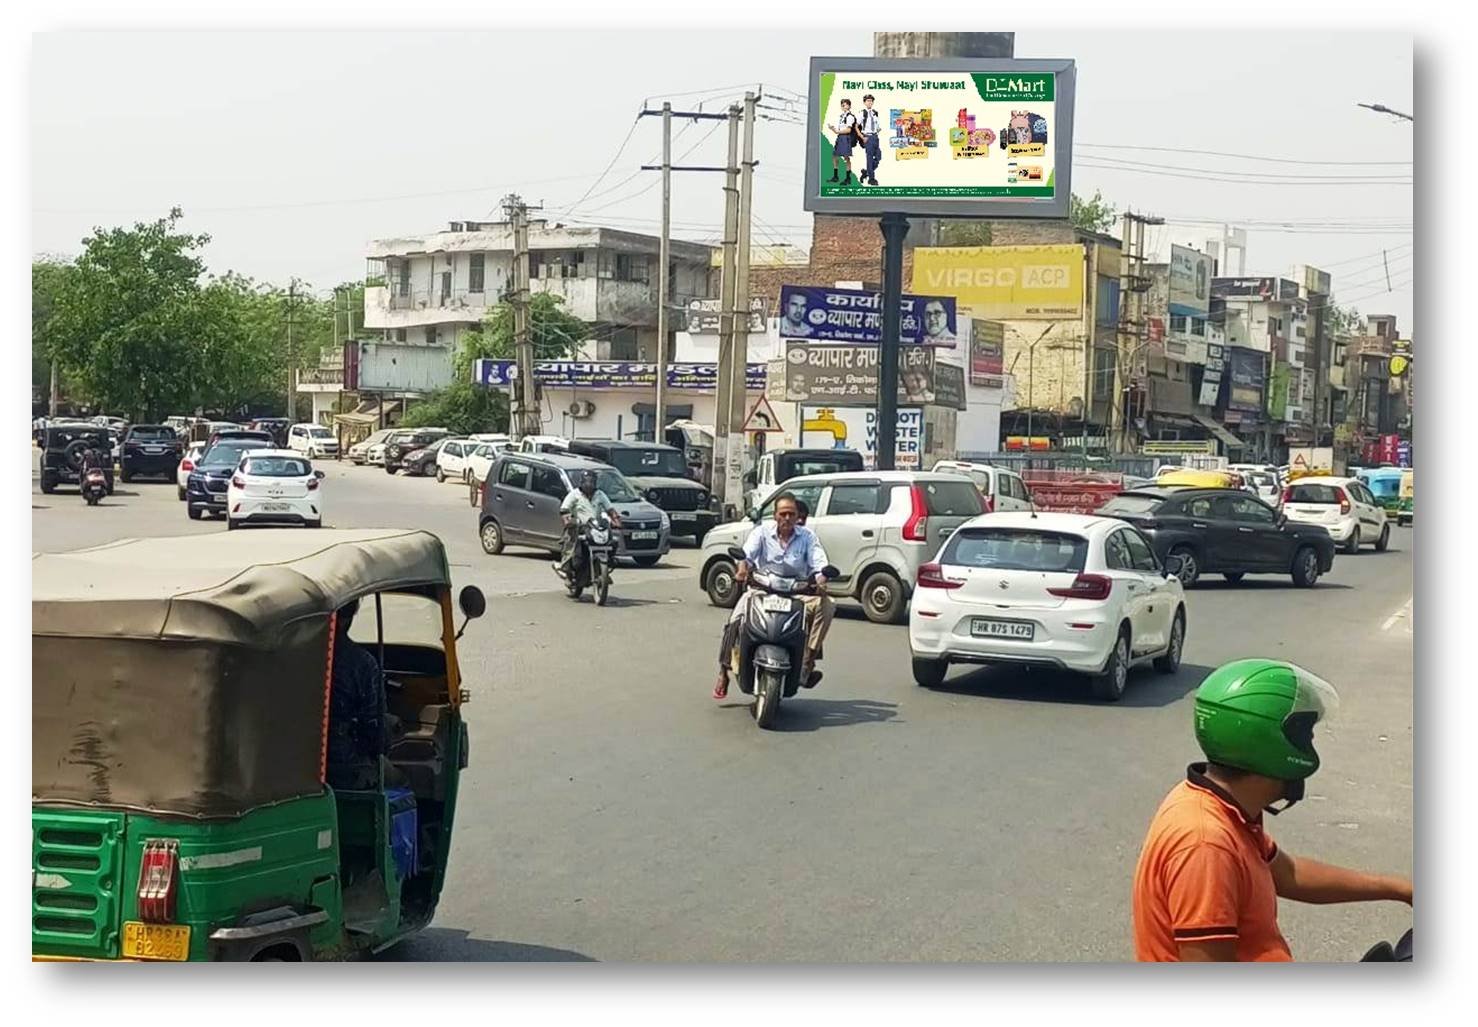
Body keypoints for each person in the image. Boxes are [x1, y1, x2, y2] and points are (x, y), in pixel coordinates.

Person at [1132, 659, 1412, 962]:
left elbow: (1287, 874)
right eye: (1306, 736)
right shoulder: (1206, 844)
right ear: (1272, 744)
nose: (1310, 745)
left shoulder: (1219, 805)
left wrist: (1400, 888)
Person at [713, 494, 833, 700]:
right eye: (783, 514)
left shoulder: (807, 537)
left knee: (828, 605)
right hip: (762, 589)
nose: (787, 518)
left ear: (798, 517)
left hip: (797, 592)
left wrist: (821, 580)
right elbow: (747, 556)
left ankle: (807, 661)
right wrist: (742, 569)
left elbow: (819, 563)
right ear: (775, 516)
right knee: (735, 620)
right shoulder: (761, 533)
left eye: (791, 514)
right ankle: (723, 672)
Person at [326, 599, 391, 790]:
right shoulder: (362, 663)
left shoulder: (292, 656)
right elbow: (375, 731)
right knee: (400, 780)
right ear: (347, 619)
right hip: (343, 766)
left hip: (293, 763)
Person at [557, 470, 621, 576]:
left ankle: (607, 564)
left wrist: (616, 520)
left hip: (595, 528)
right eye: (586, 482)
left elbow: (610, 509)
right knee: (572, 548)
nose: (589, 484)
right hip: (579, 528)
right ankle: (567, 568)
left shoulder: (600, 494)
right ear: (581, 482)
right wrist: (567, 520)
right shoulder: (574, 494)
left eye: (591, 482)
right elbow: (564, 509)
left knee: (613, 541)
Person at [829, 99, 857, 185]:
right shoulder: (842, 116)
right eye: (842, 105)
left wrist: (837, 131)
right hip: (840, 137)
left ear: (849, 106)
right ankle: (836, 176)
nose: (843, 106)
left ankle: (848, 178)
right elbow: (841, 129)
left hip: (845, 138)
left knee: (846, 158)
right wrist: (834, 129)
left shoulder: (850, 117)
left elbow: (848, 130)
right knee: (834, 156)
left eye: (845, 105)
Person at [858, 94, 883, 186]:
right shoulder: (862, 113)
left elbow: (876, 125)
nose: (870, 102)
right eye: (868, 101)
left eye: (871, 101)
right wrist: (862, 136)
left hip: (875, 137)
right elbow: (856, 126)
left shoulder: (875, 112)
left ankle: (866, 173)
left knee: (879, 156)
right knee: (869, 158)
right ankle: (871, 179)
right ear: (864, 102)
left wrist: (878, 129)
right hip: (867, 137)